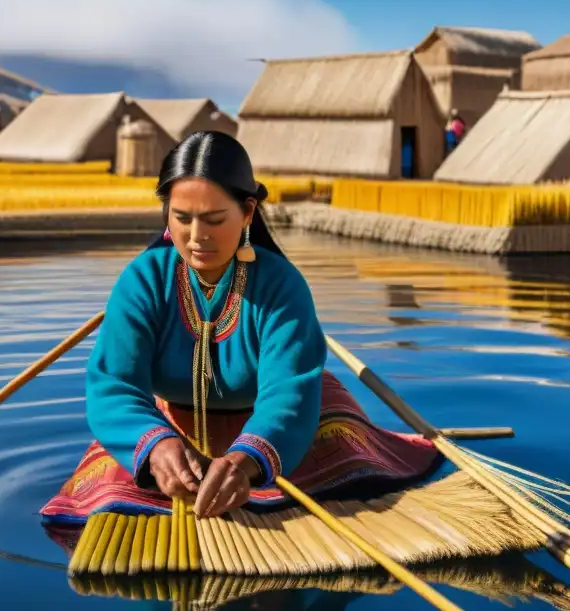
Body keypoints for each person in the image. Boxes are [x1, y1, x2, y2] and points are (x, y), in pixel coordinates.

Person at [40, 132, 441, 525]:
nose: (197, 237)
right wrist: (158, 447)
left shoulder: (282, 287)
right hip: (174, 420)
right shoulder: (142, 281)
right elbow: (114, 384)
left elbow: (289, 394)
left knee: (348, 476)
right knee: (118, 484)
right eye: (181, 218)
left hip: (278, 424)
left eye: (214, 219)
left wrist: (247, 461)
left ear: (248, 212)